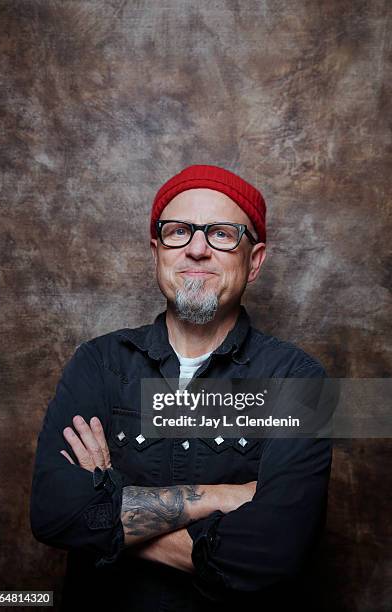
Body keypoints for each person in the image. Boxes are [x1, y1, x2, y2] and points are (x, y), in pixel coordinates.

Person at [30, 164, 332, 611]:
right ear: (157, 252)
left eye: (222, 234)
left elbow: (273, 553)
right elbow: (54, 515)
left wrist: (107, 520)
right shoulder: (98, 363)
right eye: (178, 232)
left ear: (255, 261)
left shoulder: (300, 381)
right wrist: (221, 497)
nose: (196, 249)